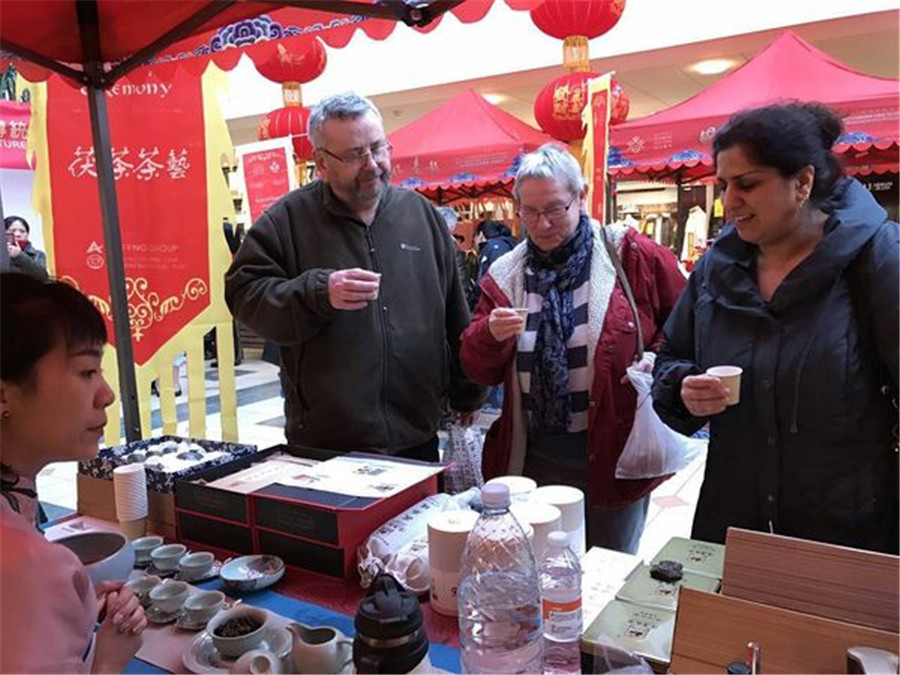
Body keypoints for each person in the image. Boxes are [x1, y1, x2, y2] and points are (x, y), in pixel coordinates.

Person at [652, 103, 899, 554]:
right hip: (733, 526)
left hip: (845, 539)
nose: (729, 202)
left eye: (747, 184)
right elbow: (669, 359)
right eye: (723, 185)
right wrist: (683, 388)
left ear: (803, 182)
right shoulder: (715, 269)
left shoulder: (876, 258)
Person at [225, 92, 484, 462]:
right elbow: (243, 293)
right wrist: (317, 292)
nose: (372, 164)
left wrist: (468, 390)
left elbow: (455, 312)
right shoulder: (288, 220)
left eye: (378, 148)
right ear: (321, 162)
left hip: (417, 434)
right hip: (326, 443)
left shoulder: (419, 215)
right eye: (353, 155)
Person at [460, 144, 686, 553]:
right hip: (531, 460)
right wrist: (489, 334)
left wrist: (656, 361)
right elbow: (478, 368)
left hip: (613, 457)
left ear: (580, 196)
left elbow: (685, 327)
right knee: (537, 569)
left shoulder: (630, 255)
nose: (542, 224)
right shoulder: (507, 274)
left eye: (555, 209)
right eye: (529, 212)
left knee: (605, 570)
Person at [0, 273, 147, 672]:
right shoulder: (28, 567)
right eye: (86, 372)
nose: (107, 394)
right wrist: (107, 662)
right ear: (3, 394)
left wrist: (68, 608)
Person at [4, 215, 48, 281]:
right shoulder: (2, 254)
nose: (18, 234)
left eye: (22, 231)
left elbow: (42, 276)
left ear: (27, 234)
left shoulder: (38, 254)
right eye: (13, 230)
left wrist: (19, 256)